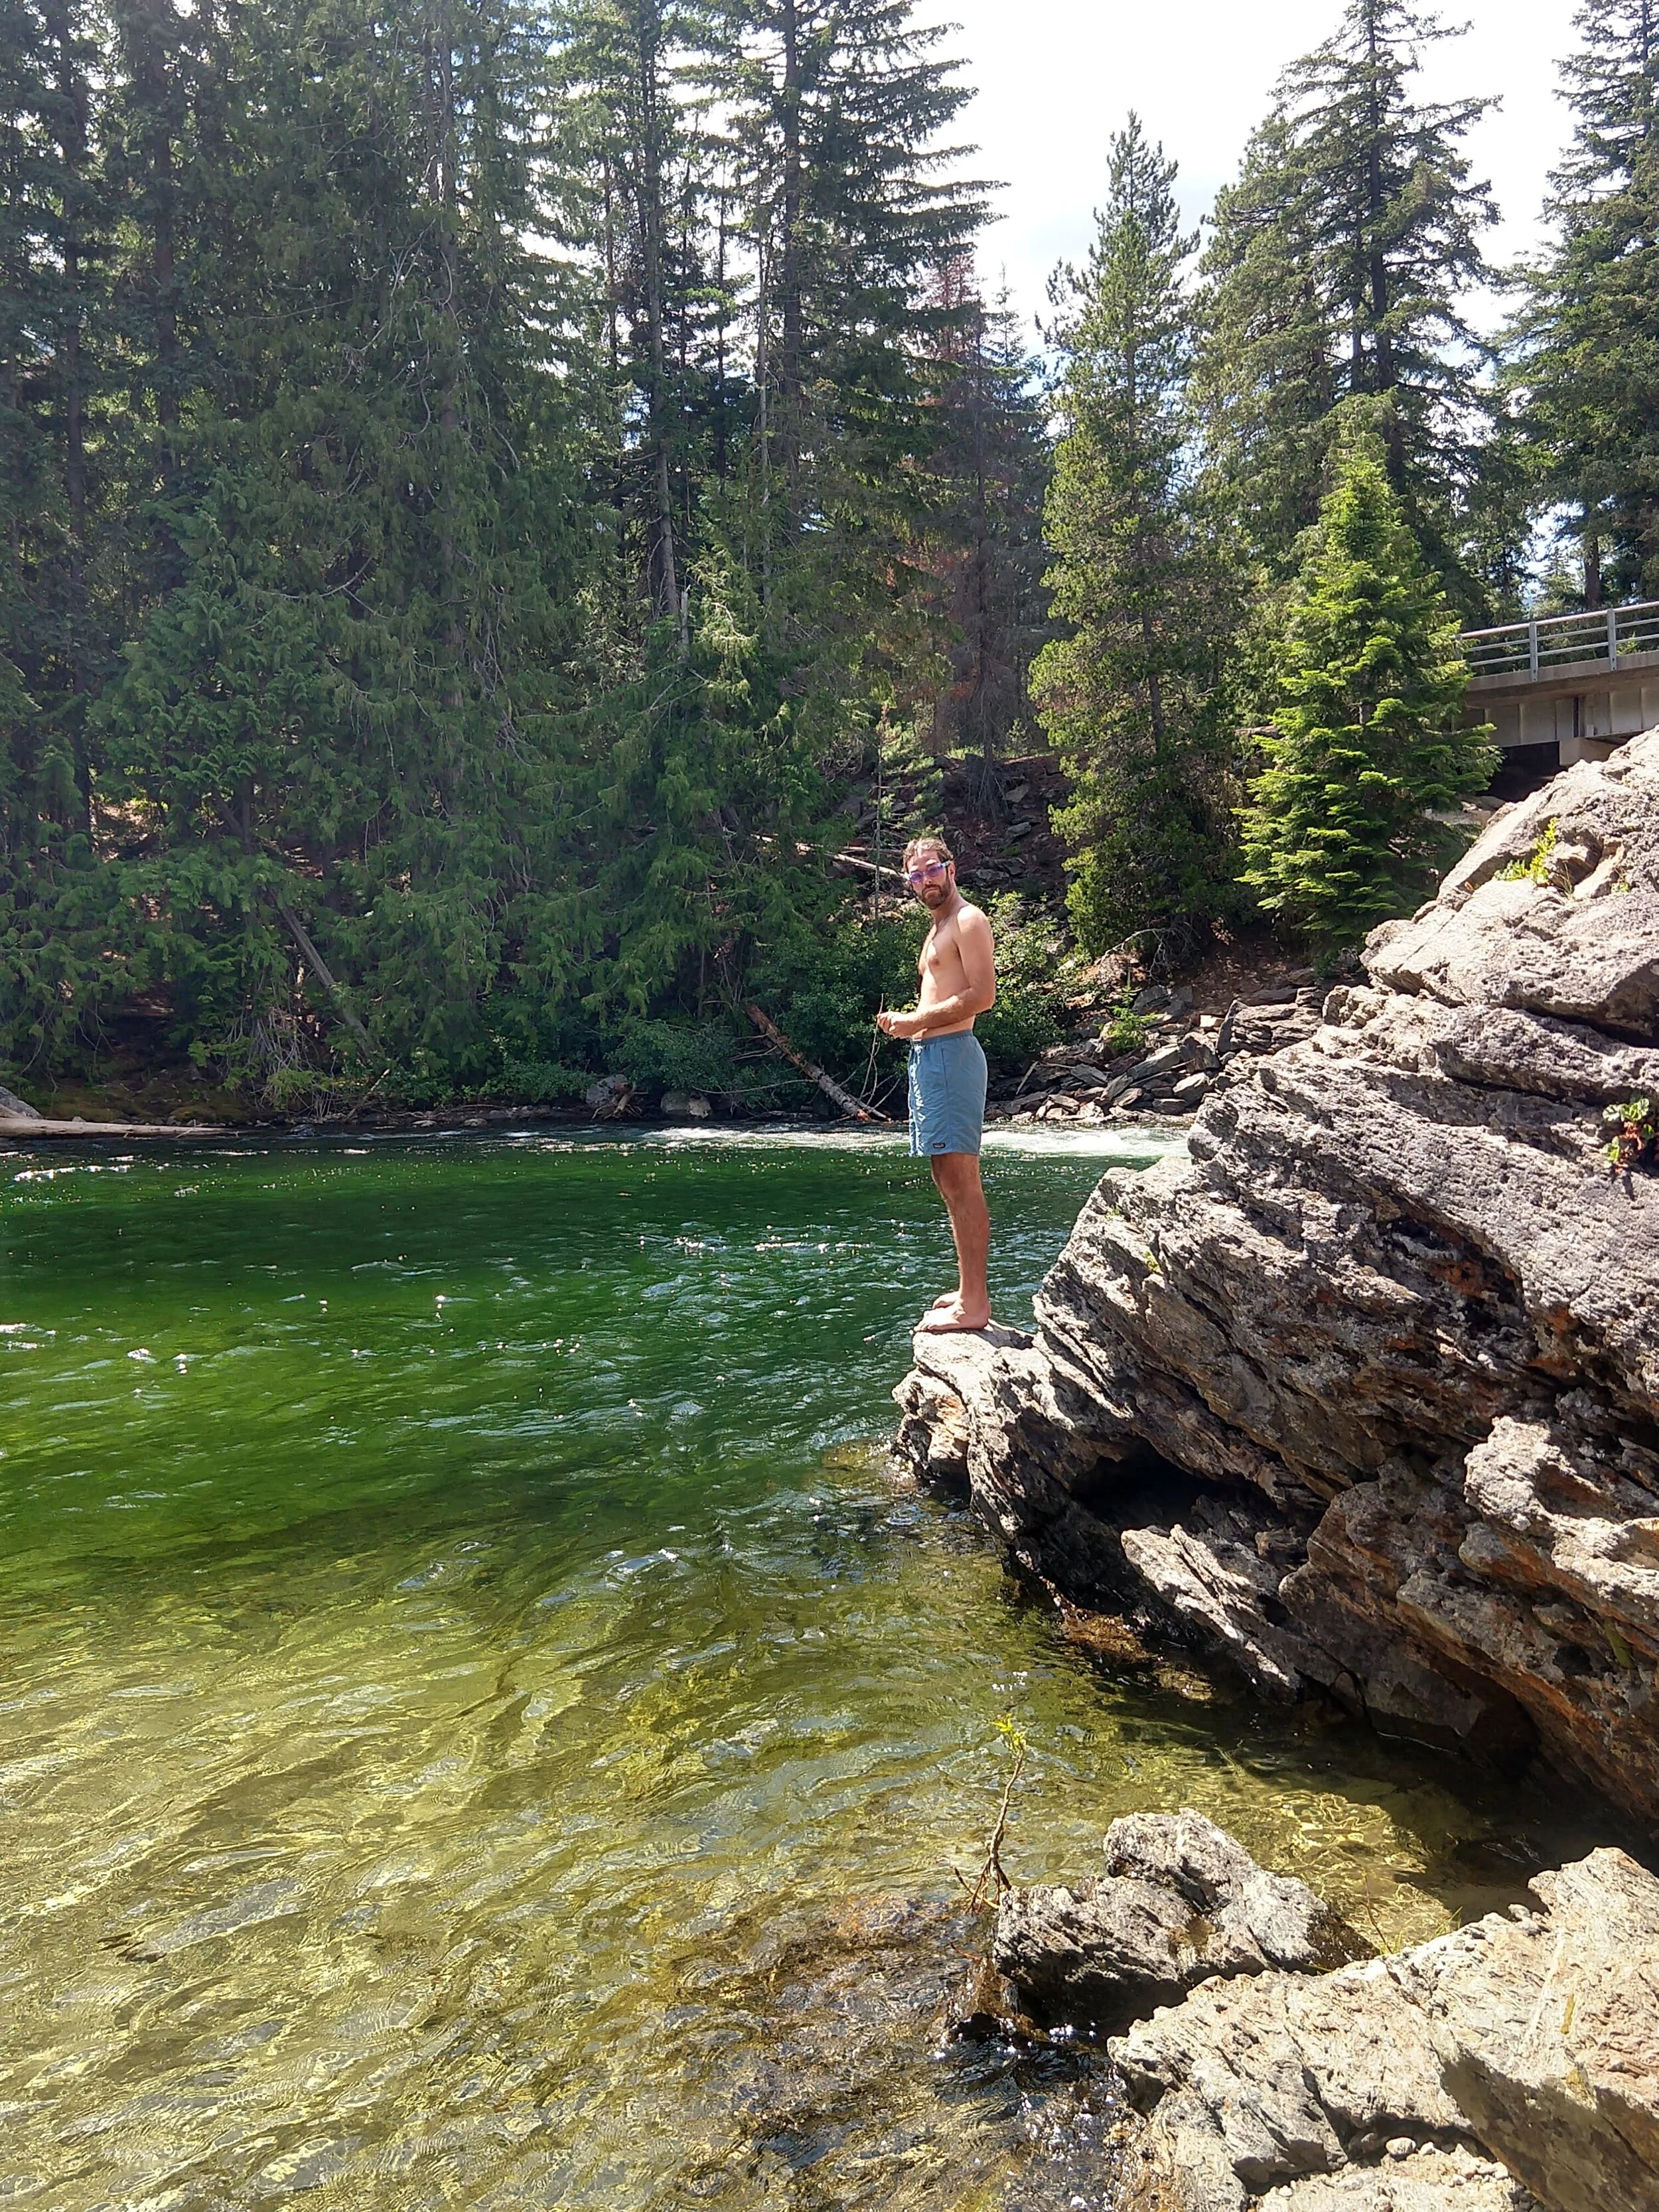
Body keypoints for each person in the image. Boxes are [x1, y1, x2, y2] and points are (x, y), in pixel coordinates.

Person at [876, 836, 997, 1333]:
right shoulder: (935, 930)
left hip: (952, 1056)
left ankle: (976, 1305)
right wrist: (912, 1029)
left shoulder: (968, 920)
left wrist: (915, 1020)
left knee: (962, 1180)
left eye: (932, 869)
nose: (925, 880)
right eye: (916, 875)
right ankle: (968, 1290)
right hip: (931, 1060)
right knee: (946, 1178)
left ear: (952, 867)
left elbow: (982, 995)